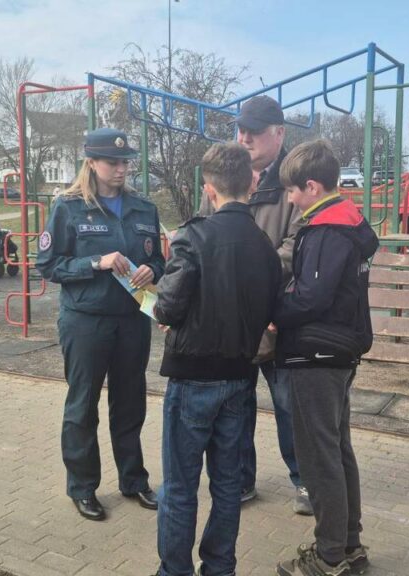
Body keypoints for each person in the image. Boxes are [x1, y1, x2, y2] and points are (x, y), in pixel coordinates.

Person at [152, 143, 281, 576]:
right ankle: (220, 567)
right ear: (251, 184)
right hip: (241, 379)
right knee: (227, 485)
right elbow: (270, 309)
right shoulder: (264, 246)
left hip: (192, 377)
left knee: (180, 486)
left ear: (209, 189)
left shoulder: (192, 236)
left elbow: (167, 307)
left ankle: (175, 570)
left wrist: (165, 313)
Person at [36, 127, 165, 521]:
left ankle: (133, 480)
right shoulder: (69, 207)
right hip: (86, 322)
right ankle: (83, 487)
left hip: (132, 320)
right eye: (113, 162)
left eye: (126, 162)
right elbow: (49, 265)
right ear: (91, 162)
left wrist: (151, 269)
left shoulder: (143, 208)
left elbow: (158, 260)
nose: (121, 169)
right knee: (83, 405)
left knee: (130, 403)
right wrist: (97, 262)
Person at [198, 95, 310, 514]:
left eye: (254, 132)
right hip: (232, 318)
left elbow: (297, 247)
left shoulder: (295, 180)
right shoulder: (226, 176)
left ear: (279, 133)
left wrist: (245, 273)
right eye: (240, 130)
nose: (244, 138)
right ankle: (239, 481)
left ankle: (306, 480)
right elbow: (205, 233)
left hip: (278, 317)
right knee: (235, 405)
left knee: (289, 406)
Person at [273, 140, 377, 576]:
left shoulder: (324, 230)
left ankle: (329, 556)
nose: (290, 200)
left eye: (292, 191)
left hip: (316, 352)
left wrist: (272, 314)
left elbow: (311, 297)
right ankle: (349, 545)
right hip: (340, 349)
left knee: (319, 457)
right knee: (337, 448)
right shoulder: (349, 221)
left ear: (312, 187)